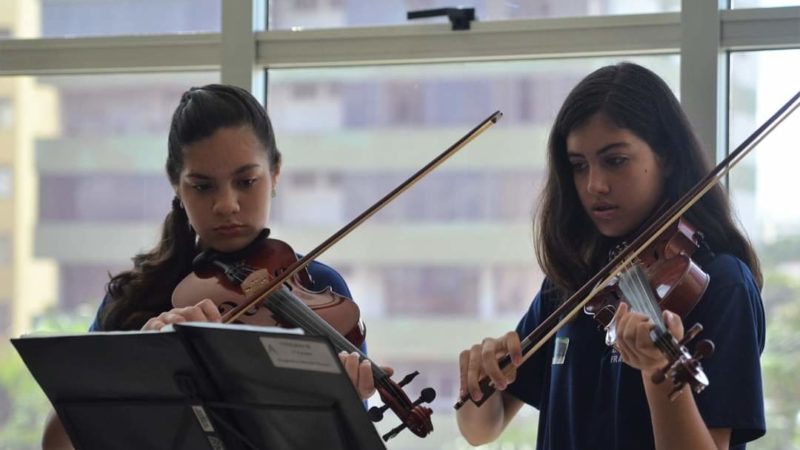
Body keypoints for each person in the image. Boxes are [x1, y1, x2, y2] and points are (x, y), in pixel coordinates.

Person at [41, 84, 382, 449]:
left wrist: (342, 403)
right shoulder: (133, 299)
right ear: (176, 184)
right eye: (203, 187)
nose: (226, 205)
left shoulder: (318, 286)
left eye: (246, 181)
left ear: (276, 173)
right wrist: (141, 360)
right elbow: (57, 442)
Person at [456, 62, 766, 450]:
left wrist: (659, 371)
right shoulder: (574, 282)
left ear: (667, 157)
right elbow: (481, 428)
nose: (594, 185)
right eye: (578, 166)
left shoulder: (721, 283)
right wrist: (479, 381)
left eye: (614, 161)